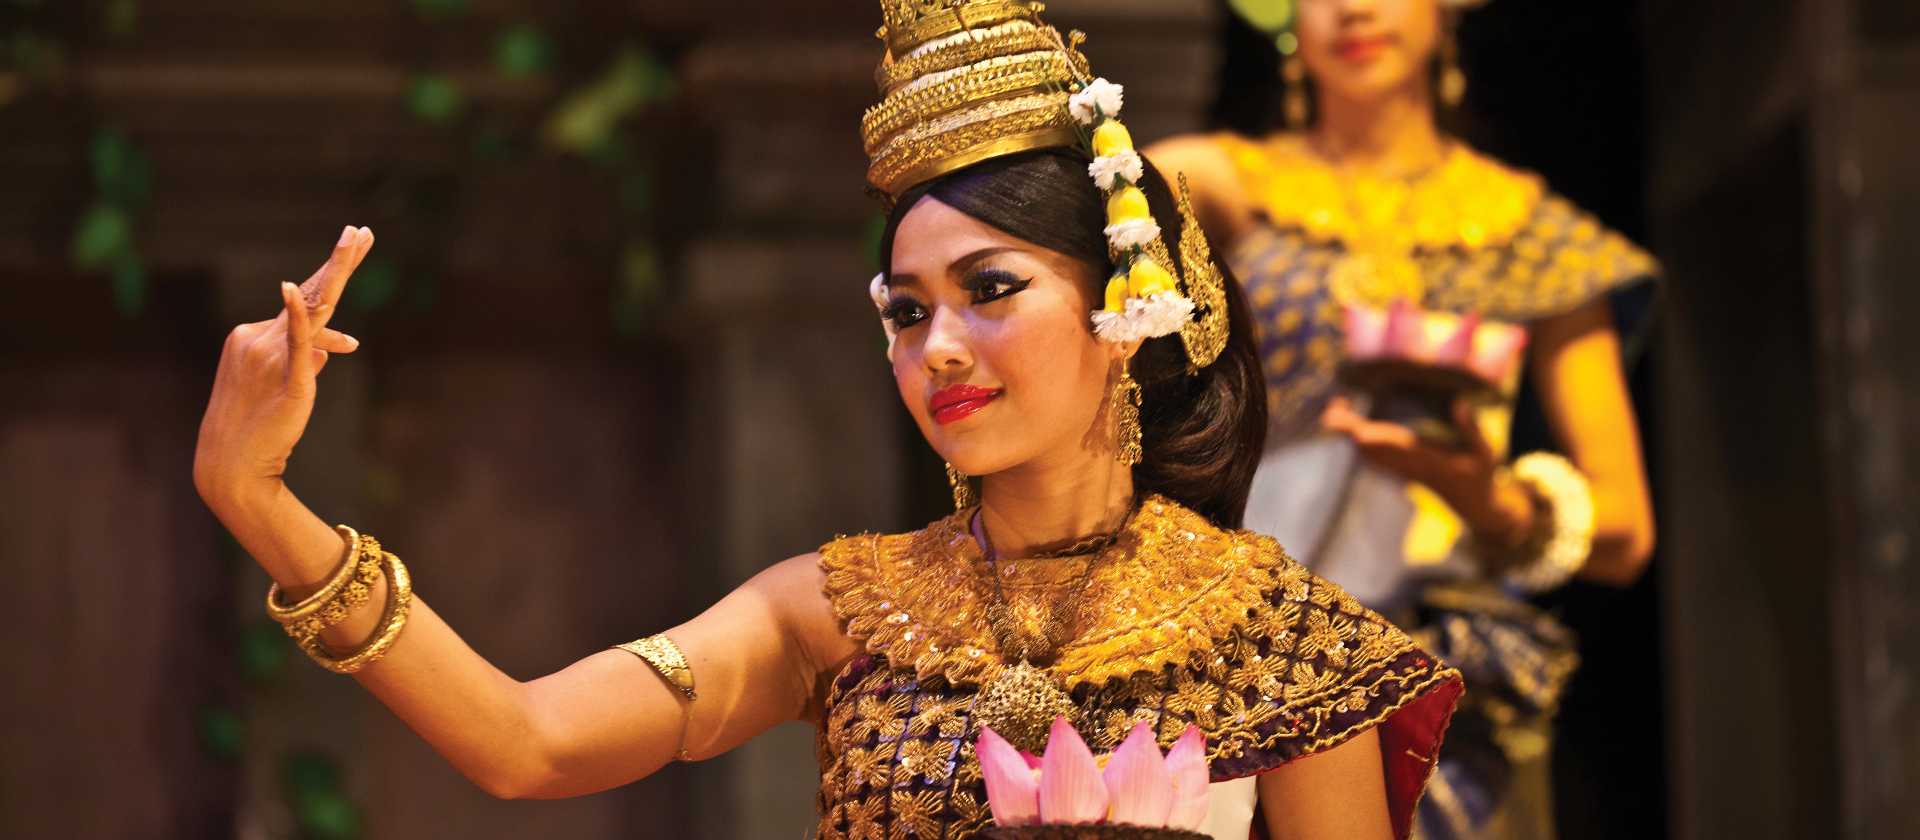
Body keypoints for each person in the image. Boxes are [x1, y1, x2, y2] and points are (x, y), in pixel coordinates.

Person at [191, 2, 1460, 837]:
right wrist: (260, 501)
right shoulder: (836, 609)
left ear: (1129, 303)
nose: (938, 347)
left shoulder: (1281, 636)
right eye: (906, 312)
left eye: (992, 292)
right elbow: (527, 743)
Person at [1145, 0, 1658, 837]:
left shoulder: (1532, 234)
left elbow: (1626, 529)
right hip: (1251, 657)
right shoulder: (1219, 186)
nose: (1353, 8)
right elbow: (1081, 240)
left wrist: (1489, 502)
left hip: (1447, 680)